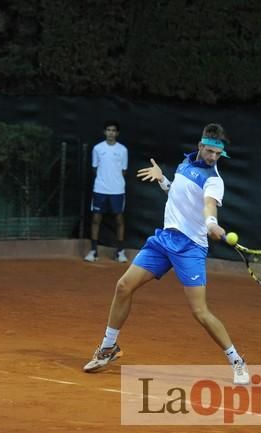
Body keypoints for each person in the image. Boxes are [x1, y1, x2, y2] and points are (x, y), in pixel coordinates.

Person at [82, 123, 249, 385]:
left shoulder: (215, 181)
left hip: (190, 248)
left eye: (218, 155)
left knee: (200, 312)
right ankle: (108, 348)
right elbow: (178, 196)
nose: (213, 158)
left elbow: (207, 207)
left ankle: (237, 360)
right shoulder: (185, 164)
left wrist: (211, 225)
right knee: (123, 286)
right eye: (209, 152)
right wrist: (162, 179)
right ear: (200, 146)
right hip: (163, 240)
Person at [84, 120, 129, 263]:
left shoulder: (123, 150)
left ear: (117, 133)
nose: (111, 133)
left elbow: (124, 170)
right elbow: (94, 168)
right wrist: (104, 181)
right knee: (96, 219)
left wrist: (114, 182)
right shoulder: (97, 148)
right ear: (105, 132)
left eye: (113, 130)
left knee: (119, 220)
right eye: (108, 130)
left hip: (117, 191)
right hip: (100, 189)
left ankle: (120, 252)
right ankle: (93, 251)